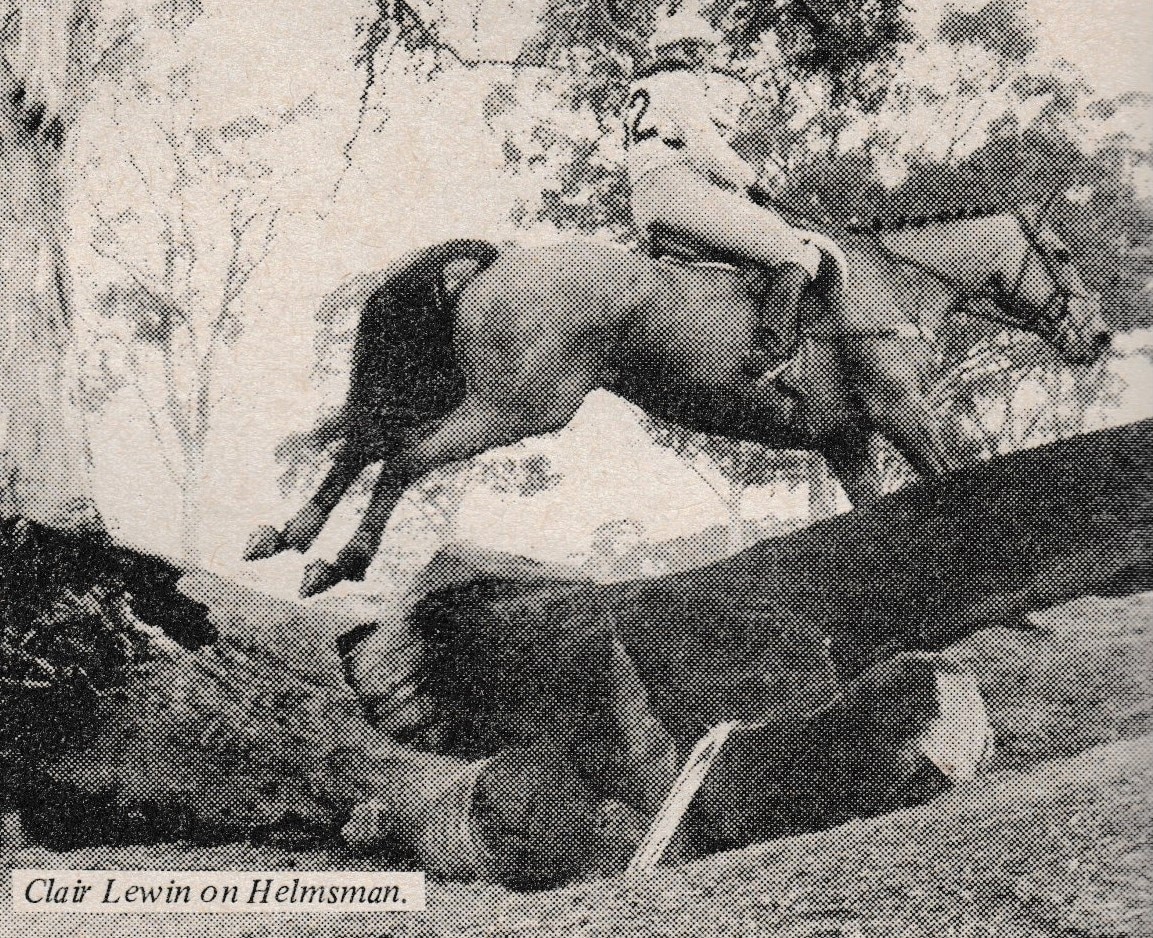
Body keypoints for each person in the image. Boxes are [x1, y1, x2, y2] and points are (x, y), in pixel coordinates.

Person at [624, 10, 846, 376]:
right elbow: (704, 144)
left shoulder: (643, 89)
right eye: (705, 53)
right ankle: (772, 348)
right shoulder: (681, 82)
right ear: (688, 51)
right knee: (797, 250)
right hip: (680, 194)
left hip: (647, 200)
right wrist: (751, 181)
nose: (709, 62)